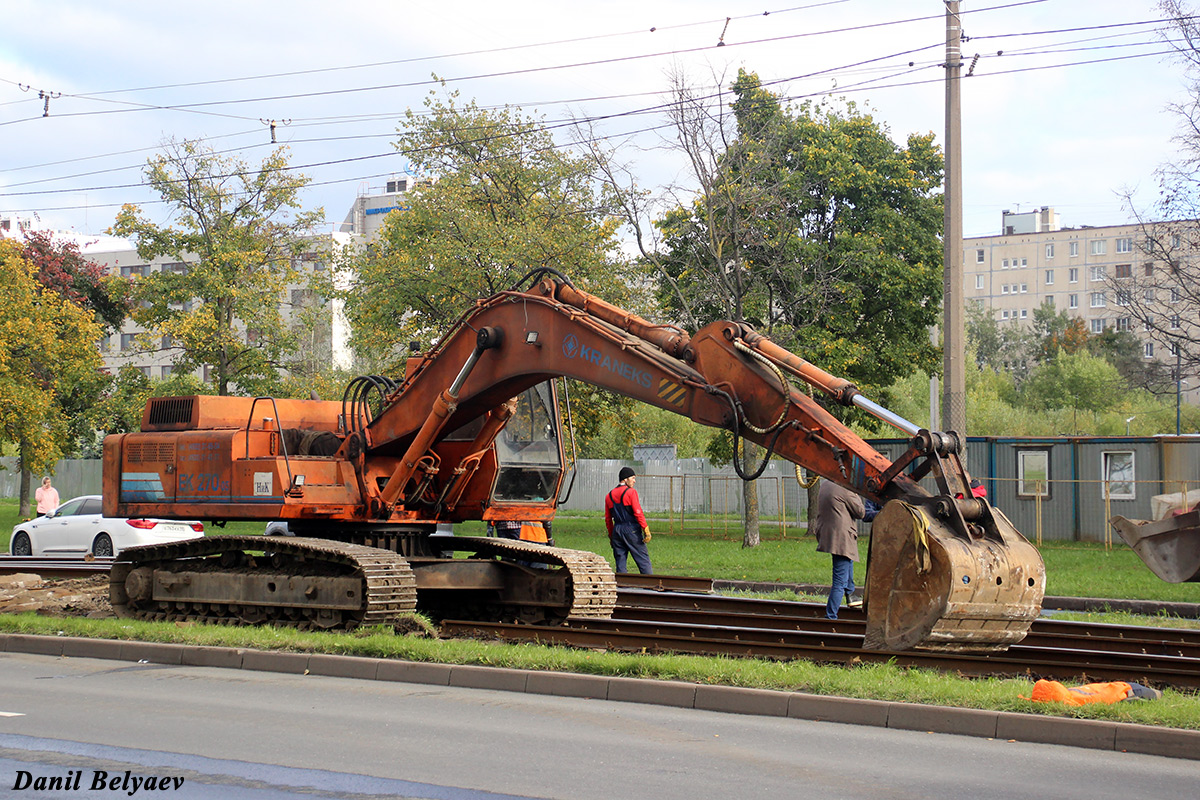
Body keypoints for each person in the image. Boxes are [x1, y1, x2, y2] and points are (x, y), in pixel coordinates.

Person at [811, 480, 878, 620]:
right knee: (839, 580)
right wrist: (856, 493)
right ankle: (831, 615)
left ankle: (850, 595)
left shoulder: (825, 484)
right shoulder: (845, 488)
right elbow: (861, 512)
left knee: (848, 563)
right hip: (841, 538)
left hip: (829, 534)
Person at [604, 466, 652, 574]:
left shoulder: (609, 496)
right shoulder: (631, 492)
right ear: (625, 479)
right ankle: (650, 585)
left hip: (617, 531)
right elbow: (638, 512)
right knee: (643, 560)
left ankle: (622, 587)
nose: (634, 481)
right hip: (631, 530)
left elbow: (608, 519)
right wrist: (646, 529)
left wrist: (611, 536)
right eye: (633, 478)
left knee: (620, 564)